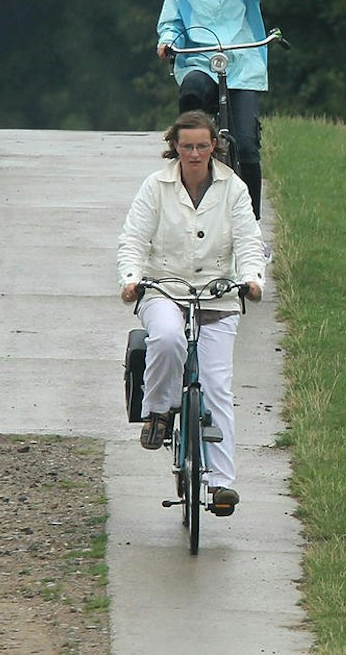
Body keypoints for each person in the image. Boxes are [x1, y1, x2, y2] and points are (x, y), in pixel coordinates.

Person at [116, 110, 267, 517]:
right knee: (166, 338)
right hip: (165, 289)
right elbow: (133, 238)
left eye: (203, 146)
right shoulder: (156, 186)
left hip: (217, 295)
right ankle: (159, 412)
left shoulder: (233, 188)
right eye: (188, 147)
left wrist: (252, 279)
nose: (196, 153)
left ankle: (220, 485)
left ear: (213, 146)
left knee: (217, 386)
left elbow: (250, 240)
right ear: (176, 148)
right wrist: (132, 279)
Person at [155, 0, 285, 219]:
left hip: (243, 62)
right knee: (192, 89)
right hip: (201, 59)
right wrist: (167, 42)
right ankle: (186, 143)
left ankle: (251, 223)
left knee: (249, 146)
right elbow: (170, 23)